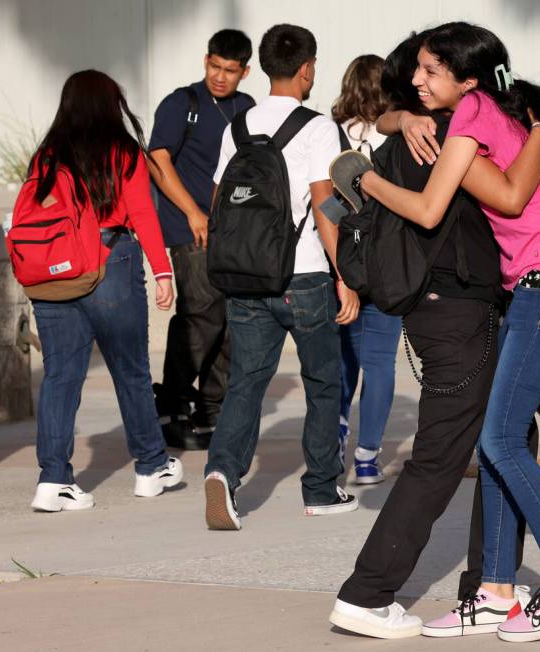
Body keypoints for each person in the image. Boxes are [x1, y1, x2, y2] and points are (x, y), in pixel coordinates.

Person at [350, 22, 540, 643]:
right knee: (497, 442)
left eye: (430, 71)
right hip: (531, 288)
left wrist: (366, 181)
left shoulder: (471, 117)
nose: (416, 80)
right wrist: (400, 120)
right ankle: (492, 593)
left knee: (501, 443)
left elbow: (451, 207)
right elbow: (510, 190)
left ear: (467, 80)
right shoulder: (501, 110)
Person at [203, 23, 361, 531]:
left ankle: (222, 472)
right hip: (305, 278)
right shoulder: (317, 128)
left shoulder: (238, 127)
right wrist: (346, 276)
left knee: (245, 384)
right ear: (308, 69)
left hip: (246, 280)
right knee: (322, 384)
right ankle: (320, 488)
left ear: (264, 67)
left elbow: (218, 206)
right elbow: (323, 207)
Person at [27, 70, 183, 512]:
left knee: (60, 376)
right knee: (130, 370)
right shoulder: (123, 152)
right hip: (111, 261)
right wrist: (163, 271)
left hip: (55, 273)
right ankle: (151, 467)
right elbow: (143, 215)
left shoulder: (47, 156)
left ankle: (52, 479)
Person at [149, 30, 255, 450]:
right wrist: (194, 212)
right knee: (200, 315)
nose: (221, 77)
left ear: (245, 72)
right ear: (205, 60)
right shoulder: (183, 103)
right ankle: (171, 403)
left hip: (232, 234)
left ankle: (212, 409)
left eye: (231, 70)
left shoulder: (246, 108)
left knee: (229, 322)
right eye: (215, 66)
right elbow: (158, 160)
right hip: (188, 229)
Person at [332, 54, 401, 484]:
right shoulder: (397, 139)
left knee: (342, 359)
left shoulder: (329, 135)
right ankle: (367, 456)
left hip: (341, 266)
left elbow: (319, 204)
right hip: (387, 267)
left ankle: (336, 431)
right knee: (380, 363)